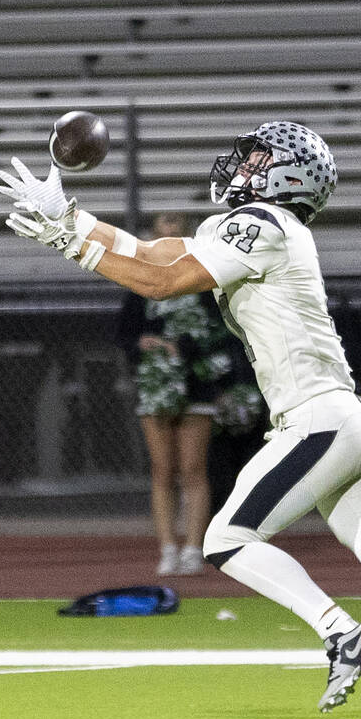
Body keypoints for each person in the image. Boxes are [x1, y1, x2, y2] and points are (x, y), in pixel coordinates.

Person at [0, 122, 361, 719]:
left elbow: (161, 283)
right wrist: (71, 216)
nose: (243, 163)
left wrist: (71, 244)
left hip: (318, 419)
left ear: (286, 173)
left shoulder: (260, 224)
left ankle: (343, 633)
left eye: (258, 155)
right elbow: (155, 253)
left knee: (226, 540)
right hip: (347, 419)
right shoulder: (264, 228)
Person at [115, 211, 231, 577]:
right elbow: (123, 334)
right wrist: (144, 344)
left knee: (194, 469)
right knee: (162, 469)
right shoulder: (141, 284)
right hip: (157, 386)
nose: (172, 231)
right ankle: (168, 547)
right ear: (154, 237)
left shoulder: (203, 283)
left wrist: (184, 349)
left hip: (195, 383)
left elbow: (220, 333)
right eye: (165, 225)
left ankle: (195, 548)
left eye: (178, 226)